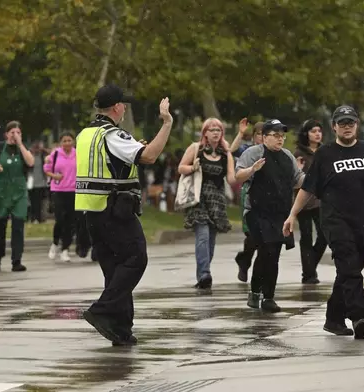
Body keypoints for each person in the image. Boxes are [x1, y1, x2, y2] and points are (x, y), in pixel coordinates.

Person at [283, 105, 364, 339]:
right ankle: (360, 315)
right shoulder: (325, 154)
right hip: (335, 220)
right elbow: (308, 187)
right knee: (349, 266)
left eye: (350, 122)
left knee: (349, 269)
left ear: (357, 124)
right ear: (334, 127)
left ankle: (333, 318)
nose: (346, 127)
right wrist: (292, 214)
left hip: (363, 220)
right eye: (342, 123)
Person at [76, 83, 173, 346]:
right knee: (135, 258)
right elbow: (150, 156)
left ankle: (120, 329)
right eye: (124, 104)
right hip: (115, 211)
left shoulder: (86, 134)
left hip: (92, 211)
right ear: (117, 107)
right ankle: (102, 311)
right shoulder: (112, 134)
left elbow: (108, 162)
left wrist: (131, 149)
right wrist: (166, 124)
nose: (125, 108)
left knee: (115, 270)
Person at [235, 119, 304, 313]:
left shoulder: (287, 156)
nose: (280, 139)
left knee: (272, 254)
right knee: (267, 250)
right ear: (264, 137)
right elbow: (238, 176)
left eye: (282, 136)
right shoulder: (253, 153)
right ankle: (261, 294)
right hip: (256, 211)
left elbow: (298, 181)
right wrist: (252, 170)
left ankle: (266, 295)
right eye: (275, 135)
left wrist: (315, 178)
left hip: (280, 214)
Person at [177, 118, 236, 289]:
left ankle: (203, 273)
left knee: (210, 239)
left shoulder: (226, 155)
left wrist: (249, 171)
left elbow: (232, 179)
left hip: (216, 200)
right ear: (205, 133)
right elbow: (181, 167)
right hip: (198, 198)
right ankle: (204, 274)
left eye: (218, 129)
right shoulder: (196, 149)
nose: (215, 132)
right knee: (202, 235)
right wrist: (193, 168)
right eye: (212, 130)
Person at [0, 121, 35, 272]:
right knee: (0, 228)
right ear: (6, 134)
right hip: (1, 192)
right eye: (12, 132)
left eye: (18, 132)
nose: (15, 135)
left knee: (18, 226)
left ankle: (16, 260)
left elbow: (31, 162)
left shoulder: (23, 148)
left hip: (19, 193)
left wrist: (20, 144)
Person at [293, 119, 327, 284]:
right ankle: (309, 274)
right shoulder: (298, 153)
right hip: (304, 201)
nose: (317, 134)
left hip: (322, 200)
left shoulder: (326, 151)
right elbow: (292, 178)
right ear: (306, 133)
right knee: (306, 236)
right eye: (313, 131)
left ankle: (309, 266)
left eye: (319, 131)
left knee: (324, 235)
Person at [234, 122, 264, 282]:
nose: (261, 137)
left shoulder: (273, 152)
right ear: (254, 136)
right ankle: (244, 260)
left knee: (264, 236)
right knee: (252, 234)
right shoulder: (247, 150)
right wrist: (240, 133)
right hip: (249, 193)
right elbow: (231, 150)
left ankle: (258, 274)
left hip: (268, 196)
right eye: (258, 134)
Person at [44, 132, 77, 262]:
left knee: (70, 221)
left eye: (69, 140)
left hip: (73, 190)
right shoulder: (55, 154)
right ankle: (55, 243)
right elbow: (46, 169)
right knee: (60, 219)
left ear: (73, 142)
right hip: (58, 190)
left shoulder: (77, 154)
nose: (67, 143)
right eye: (64, 141)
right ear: (60, 142)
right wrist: (54, 176)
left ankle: (65, 249)